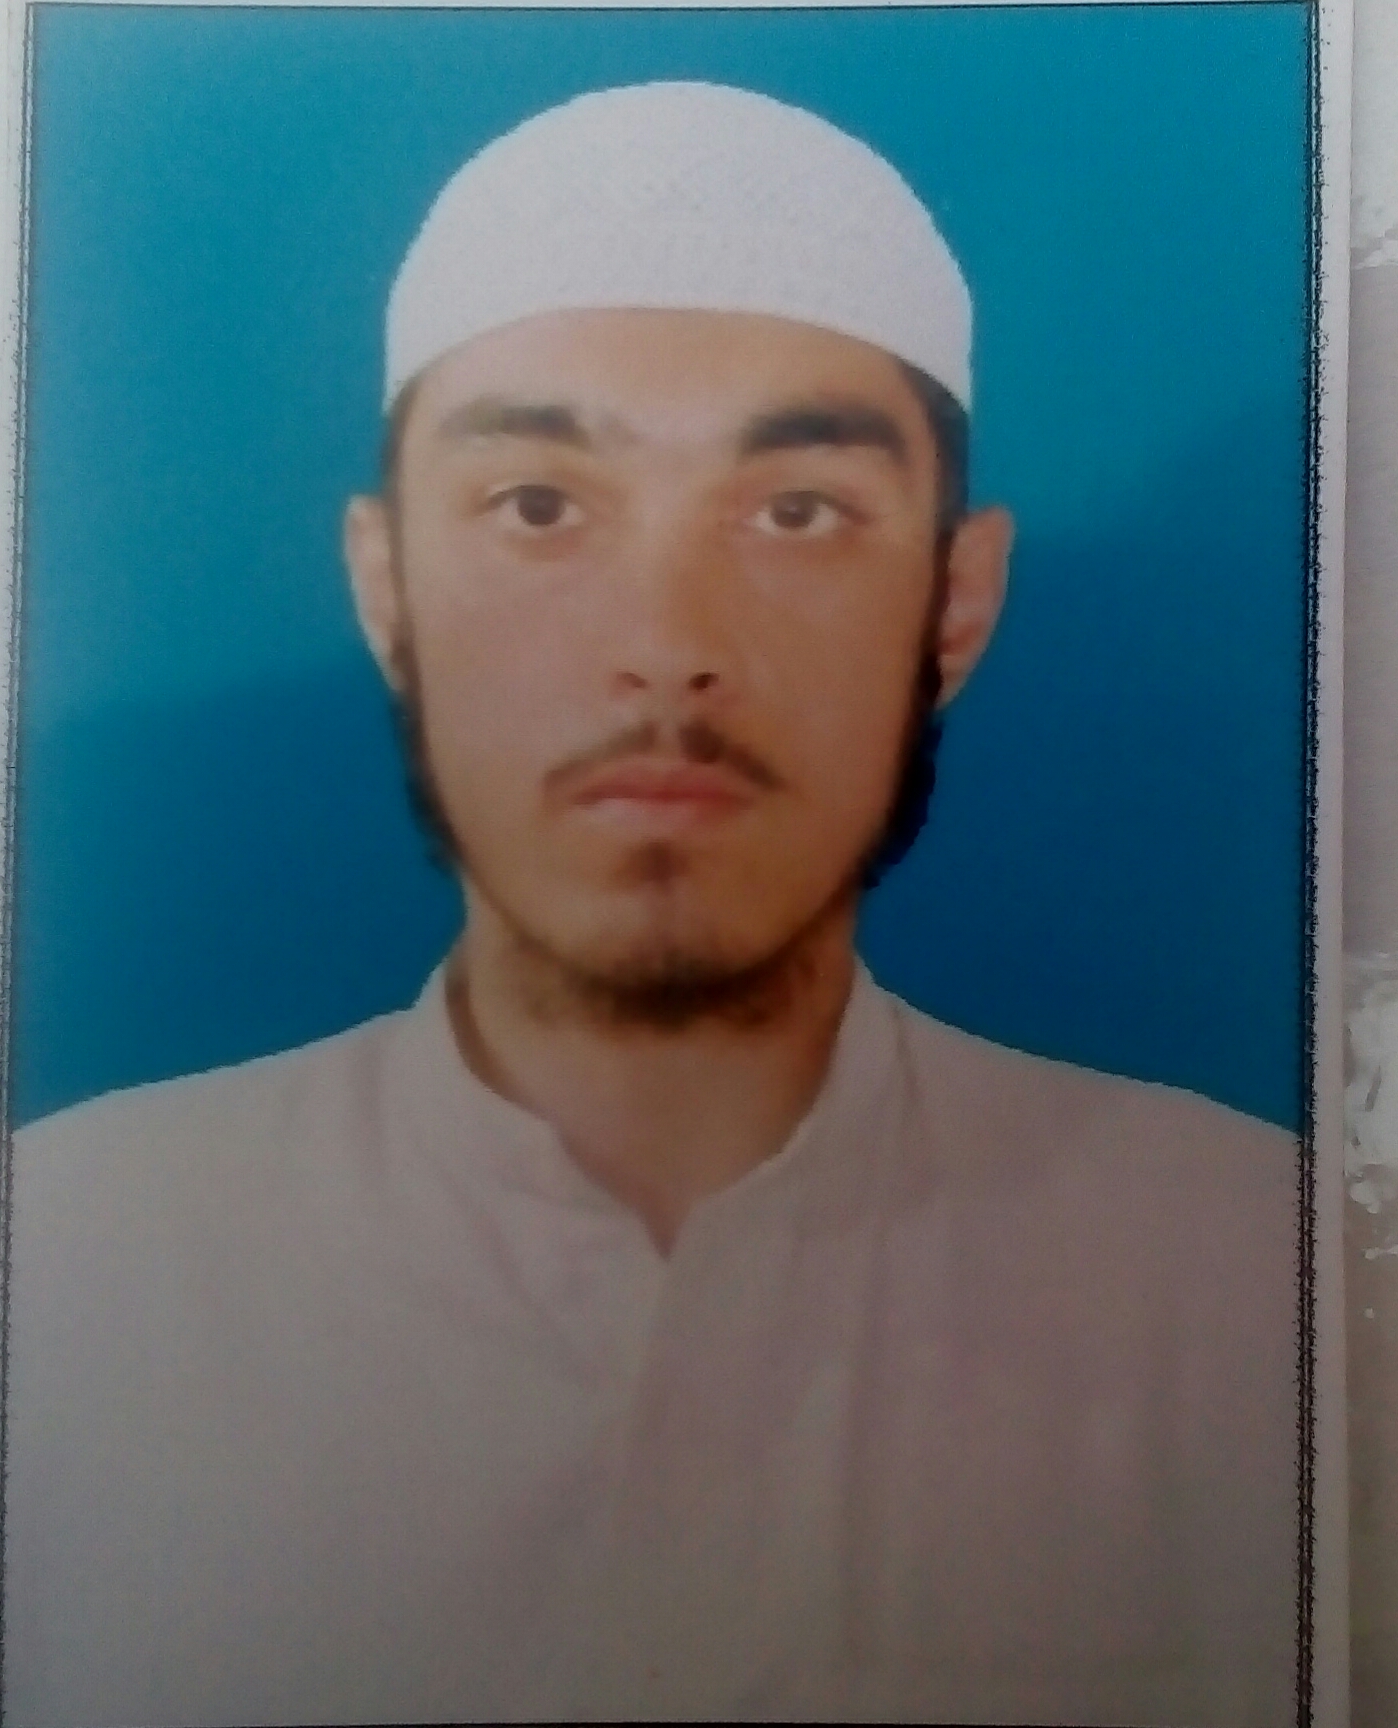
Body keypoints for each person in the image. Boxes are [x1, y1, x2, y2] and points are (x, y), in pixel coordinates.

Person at [4, 82, 1299, 1727]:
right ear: (386, 588)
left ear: (955, 602)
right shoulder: (62, 1270)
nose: (667, 644)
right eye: (539, 507)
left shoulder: (1259, 1288)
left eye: (796, 512)